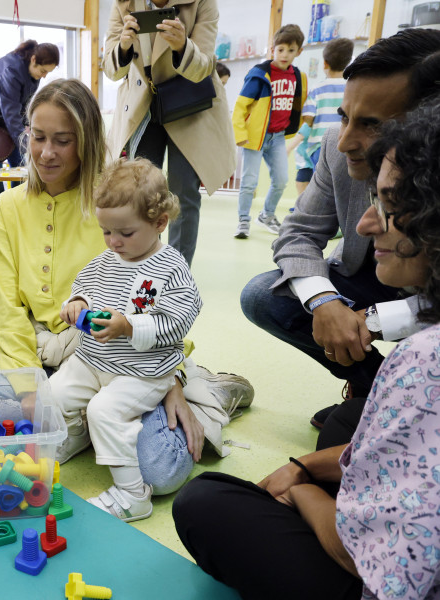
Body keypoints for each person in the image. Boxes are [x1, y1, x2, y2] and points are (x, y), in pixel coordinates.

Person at [173, 95, 440, 600]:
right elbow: (298, 235)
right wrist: (326, 304)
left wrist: (303, 491)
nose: (362, 224)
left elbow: (375, 564)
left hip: (376, 577)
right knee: (346, 423)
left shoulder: (424, 360)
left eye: (389, 206)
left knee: (203, 500)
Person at [0, 79, 249, 483]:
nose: (46, 153)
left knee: (162, 471)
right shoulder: (5, 209)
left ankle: (212, 392)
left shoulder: (115, 202)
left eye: (62, 140)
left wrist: (172, 382)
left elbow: (157, 298)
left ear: (86, 140)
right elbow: (8, 313)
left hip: (126, 360)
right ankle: (83, 421)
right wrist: (29, 391)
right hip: (45, 360)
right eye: (38, 137)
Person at [239, 29, 440, 449]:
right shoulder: (337, 145)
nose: (346, 139)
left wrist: (376, 321)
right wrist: (325, 303)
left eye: (372, 125)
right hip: (370, 280)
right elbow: (297, 232)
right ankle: (371, 389)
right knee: (263, 295)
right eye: (345, 116)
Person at [52, 158, 202, 522]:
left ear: (159, 223)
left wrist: (130, 326)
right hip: (92, 361)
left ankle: (133, 496)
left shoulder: (170, 268)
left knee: (105, 410)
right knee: (53, 393)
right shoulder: (107, 259)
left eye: (125, 233)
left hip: (142, 372)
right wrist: (76, 304)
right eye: (106, 231)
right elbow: (83, 287)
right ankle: (73, 436)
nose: (113, 242)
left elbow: (179, 320)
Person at [103, 0, 235, 267]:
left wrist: (182, 46)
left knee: (183, 192)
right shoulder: (123, 4)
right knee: (136, 192)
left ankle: (177, 271)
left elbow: (205, 66)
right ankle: (135, 266)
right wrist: (124, 46)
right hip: (142, 107)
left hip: (188, 104)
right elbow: (110, 69)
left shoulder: (203, 3)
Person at [232, 24, 307, 238]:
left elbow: (297, 104)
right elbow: (240, 107)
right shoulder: (259, 75)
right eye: (280, 49)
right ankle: (243, 221)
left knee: (282, 180)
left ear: (299, 52)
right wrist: (240, 134)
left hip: (278, 137)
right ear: (272, 48)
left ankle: (267, 215)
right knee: (249, 183)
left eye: (290, 50)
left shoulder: (297, 76)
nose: (284, 55)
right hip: (255, 137)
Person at [0, 40, 59, 199]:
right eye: (43, 70)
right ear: (33, 60)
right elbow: (10, 113)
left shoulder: (33, 73)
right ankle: (1, 209)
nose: (44, 76)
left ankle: (16, 203)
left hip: (5, 121)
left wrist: (29, 129)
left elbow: (25, 107)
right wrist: (28, 144)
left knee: (19, 165)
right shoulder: (10, 70)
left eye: (48, 72)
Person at [287, 37, 354, 195]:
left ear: (325, 63)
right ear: (348, 63)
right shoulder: (352, 87)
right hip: (345, 145)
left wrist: (290, 146)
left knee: (322, 186)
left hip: (320, 147)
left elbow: (308, 123)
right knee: (342, 185)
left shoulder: (317, 89)